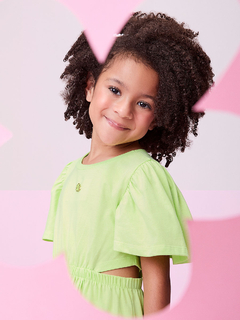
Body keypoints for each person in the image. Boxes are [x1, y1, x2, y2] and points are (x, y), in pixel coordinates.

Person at [43, 12, 214, 318]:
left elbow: (157, 280)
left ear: (159, 117)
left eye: (143, 103)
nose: (123, 110)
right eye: (115, 90)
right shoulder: (69, 174)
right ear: (90, 87)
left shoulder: (141, 177)